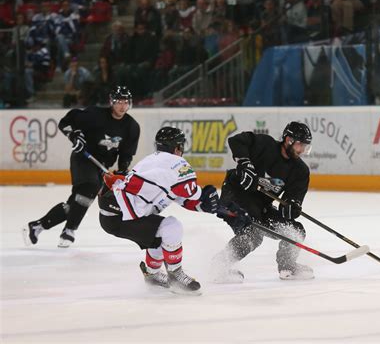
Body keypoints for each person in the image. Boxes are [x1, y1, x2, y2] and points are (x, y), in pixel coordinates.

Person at [97, 127, 220, 294]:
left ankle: (153, 275)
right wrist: (204, 195)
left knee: (158, 233)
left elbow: (177, 194)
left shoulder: (151, 160)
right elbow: (189, 189)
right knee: (171, 227)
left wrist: (200, 205)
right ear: (177, 147)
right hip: (121, 214)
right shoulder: (176, 162)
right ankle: (175, 275)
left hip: (111, 215)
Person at [23, 86, 140, 248]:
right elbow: (66, 122)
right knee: (90, 187)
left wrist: (121, 172)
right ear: (111, 102)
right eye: (118, 102)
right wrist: (75, 135)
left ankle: (39, 225)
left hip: (101, 167)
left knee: (77, 203)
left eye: (125, 102)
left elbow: (126, 154)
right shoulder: (95, 115)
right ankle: (69, 231)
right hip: (83, 159)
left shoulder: (132, 126)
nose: (122, 106)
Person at [212, 121, 314, 282]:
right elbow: (236, 140)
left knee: (295, 230)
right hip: (235, 196)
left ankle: (287, 266)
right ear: (288, 140)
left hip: (261, 205)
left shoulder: (300, 170)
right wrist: (245, 164)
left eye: (305, 147)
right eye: (300, 145)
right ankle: (218, 266)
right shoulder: (265, 145)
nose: (301, 150)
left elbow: (292, 199)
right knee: (253, 233)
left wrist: (291, 207)